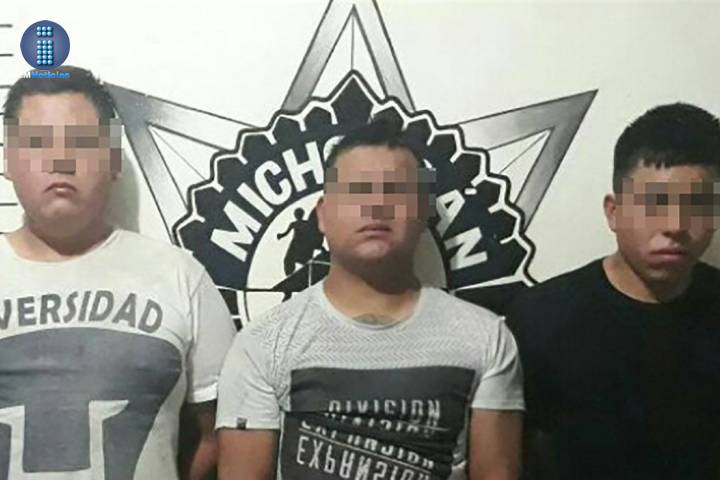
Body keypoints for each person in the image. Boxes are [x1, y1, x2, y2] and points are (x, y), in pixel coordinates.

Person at [215, 119, 524, 480]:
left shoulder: (484, 337)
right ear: (322, 215)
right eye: (357, 192)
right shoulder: (264, 342)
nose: (376, 206)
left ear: (422, 210)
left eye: (396, 192)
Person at [0, 66, 236, 480]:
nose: (60, 160)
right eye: (38, 142)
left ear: (112, 160)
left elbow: (222, 433)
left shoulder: (180, 277)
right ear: (7, 160)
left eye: (81, 142)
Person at [507, 103, 720, 480]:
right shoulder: (541, 318)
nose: (675, 225)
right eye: (655, 203)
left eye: (697, 205)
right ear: (613, 211)